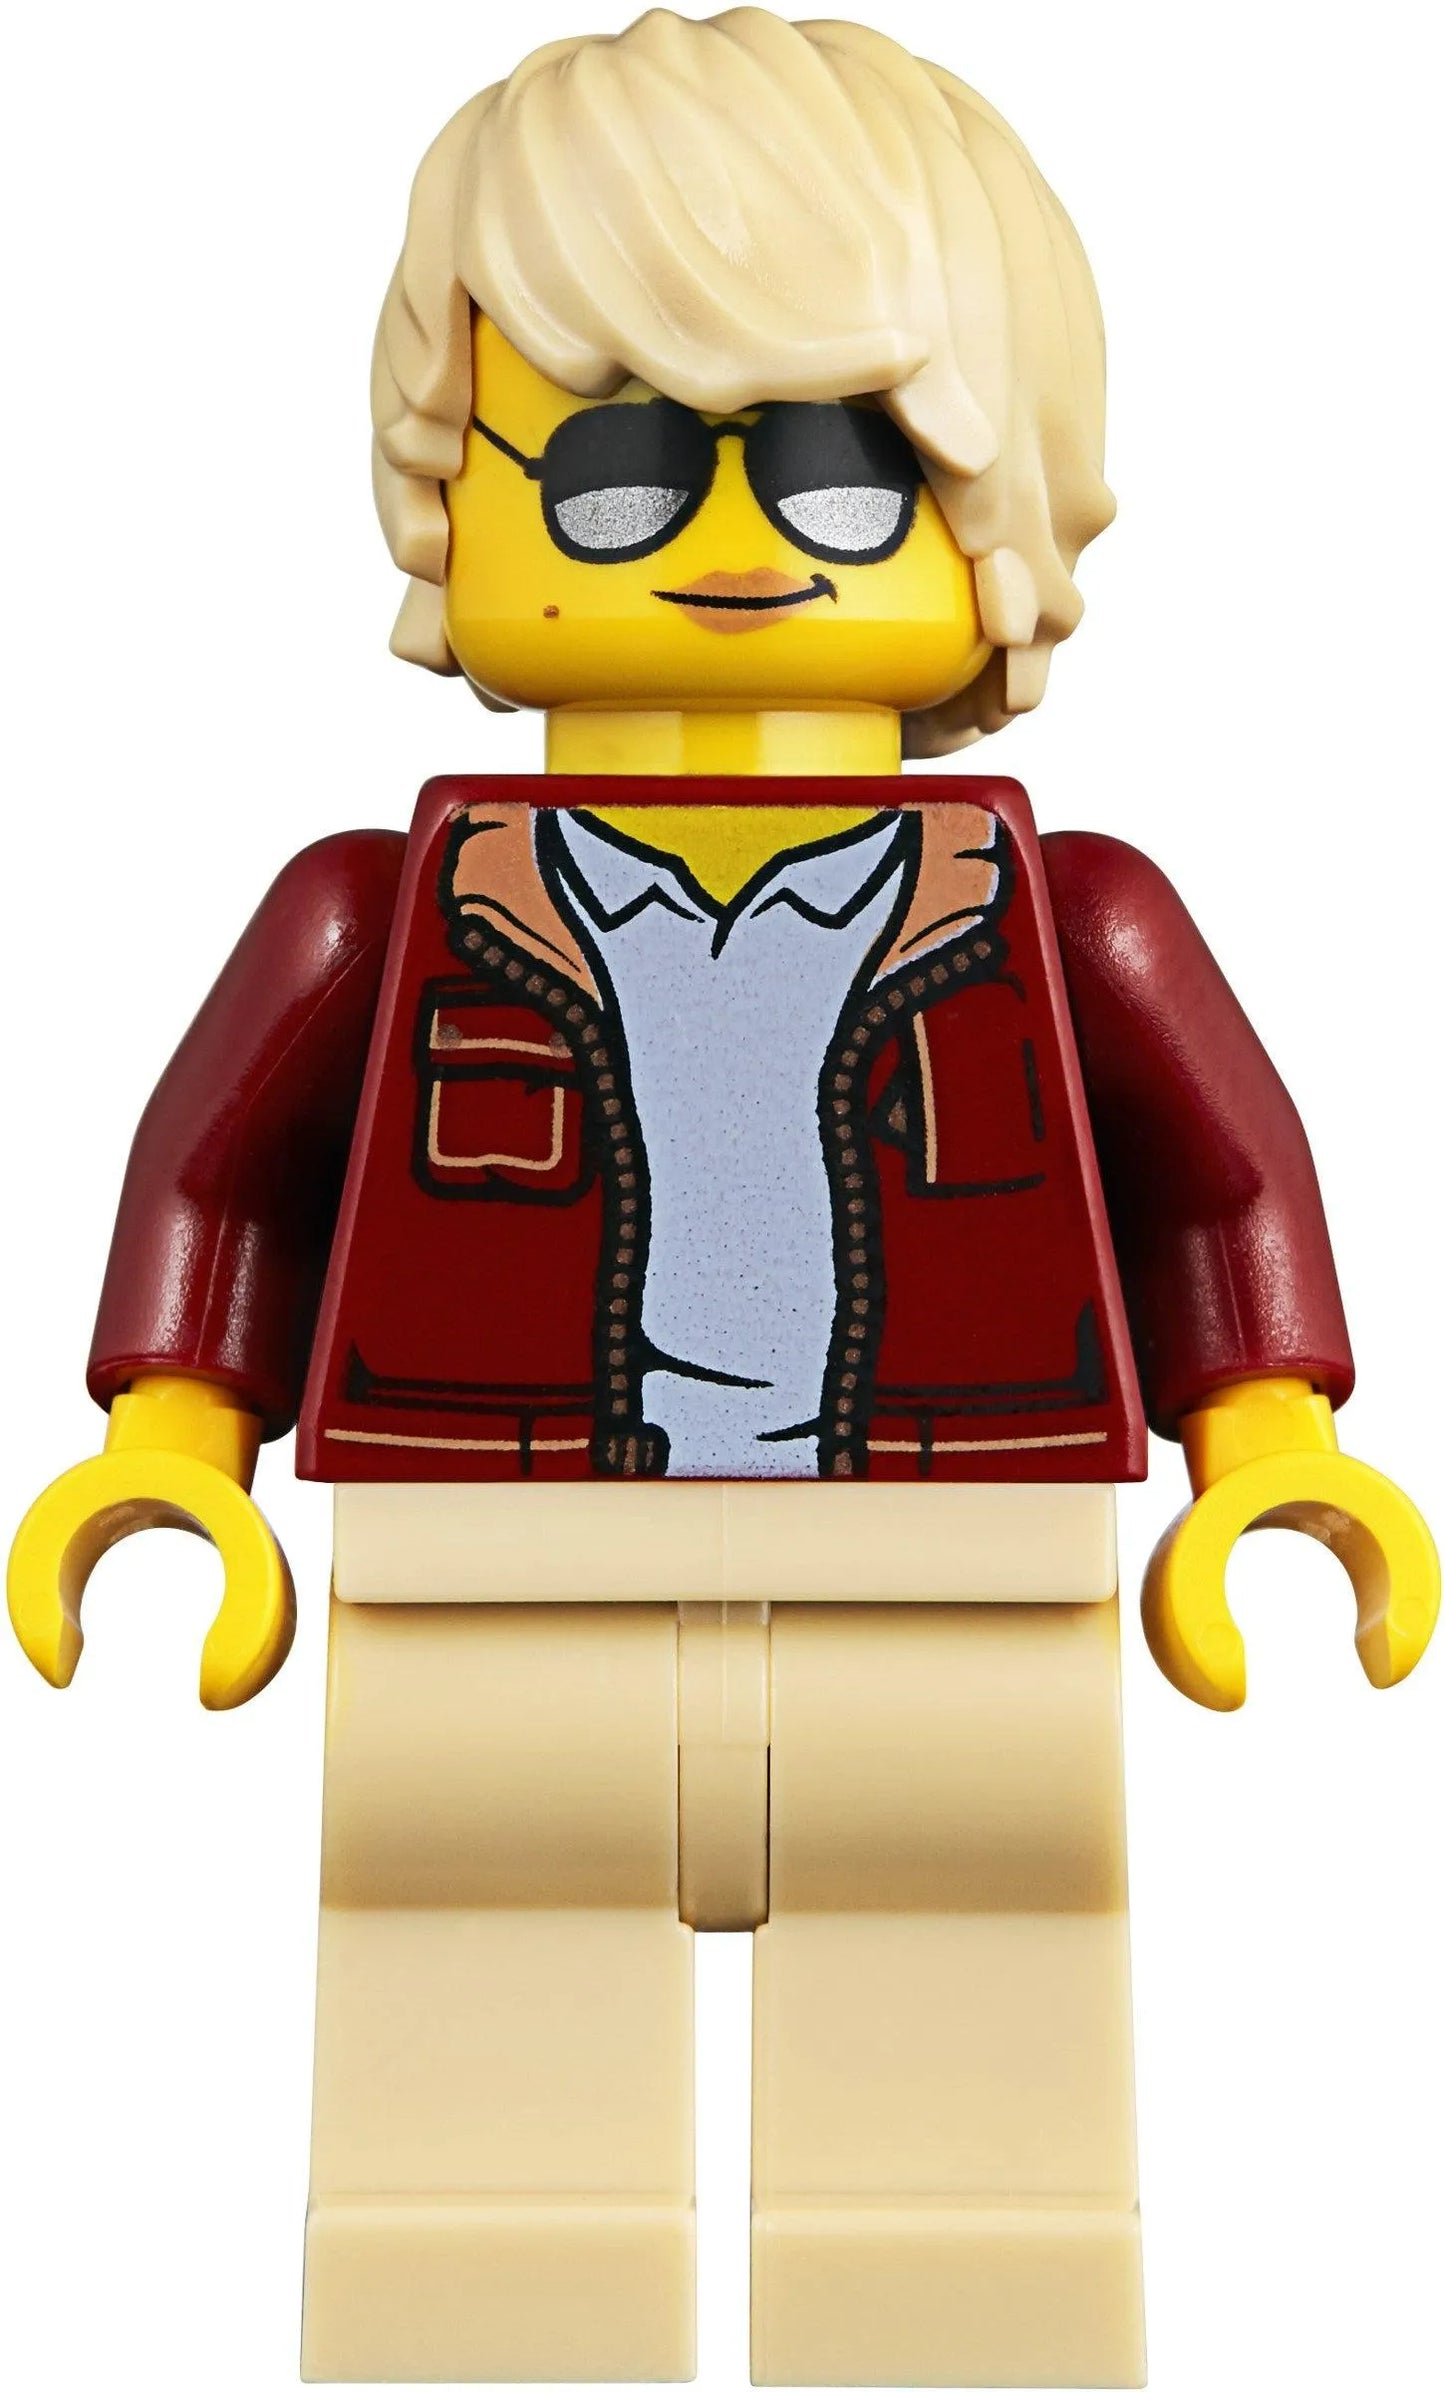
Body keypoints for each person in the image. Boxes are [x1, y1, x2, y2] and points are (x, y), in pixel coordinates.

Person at [9, 12, 1437, 2385]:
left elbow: (1223, 1183)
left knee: (975, 2043)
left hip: (964, 1556)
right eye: (617, 470)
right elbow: (218, 1173)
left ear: (993, 509)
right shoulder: (385, 910)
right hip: (484, 1559)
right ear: (450, 490)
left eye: (848, 473)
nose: (739, 538)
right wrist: (172, 1441)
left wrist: (1269, 1445)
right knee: (473, 2047)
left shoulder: (1066, 916)